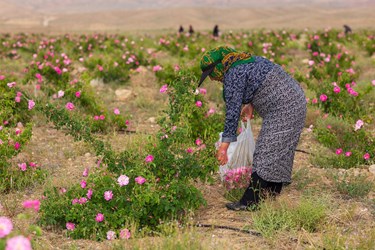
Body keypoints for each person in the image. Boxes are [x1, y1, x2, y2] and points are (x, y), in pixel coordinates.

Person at [198, 46, 306, 211]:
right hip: (294, 101)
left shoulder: (233, 74)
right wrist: (250, 104)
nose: (212, 79)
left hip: (285, 107)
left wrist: (224, 147)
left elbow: (232, 114)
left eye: (211, 73)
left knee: (266, 152)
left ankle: (249, 202)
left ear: (220, 66)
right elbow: (257, 82)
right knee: (278, 151)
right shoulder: (246, 61)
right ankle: (269, 196)